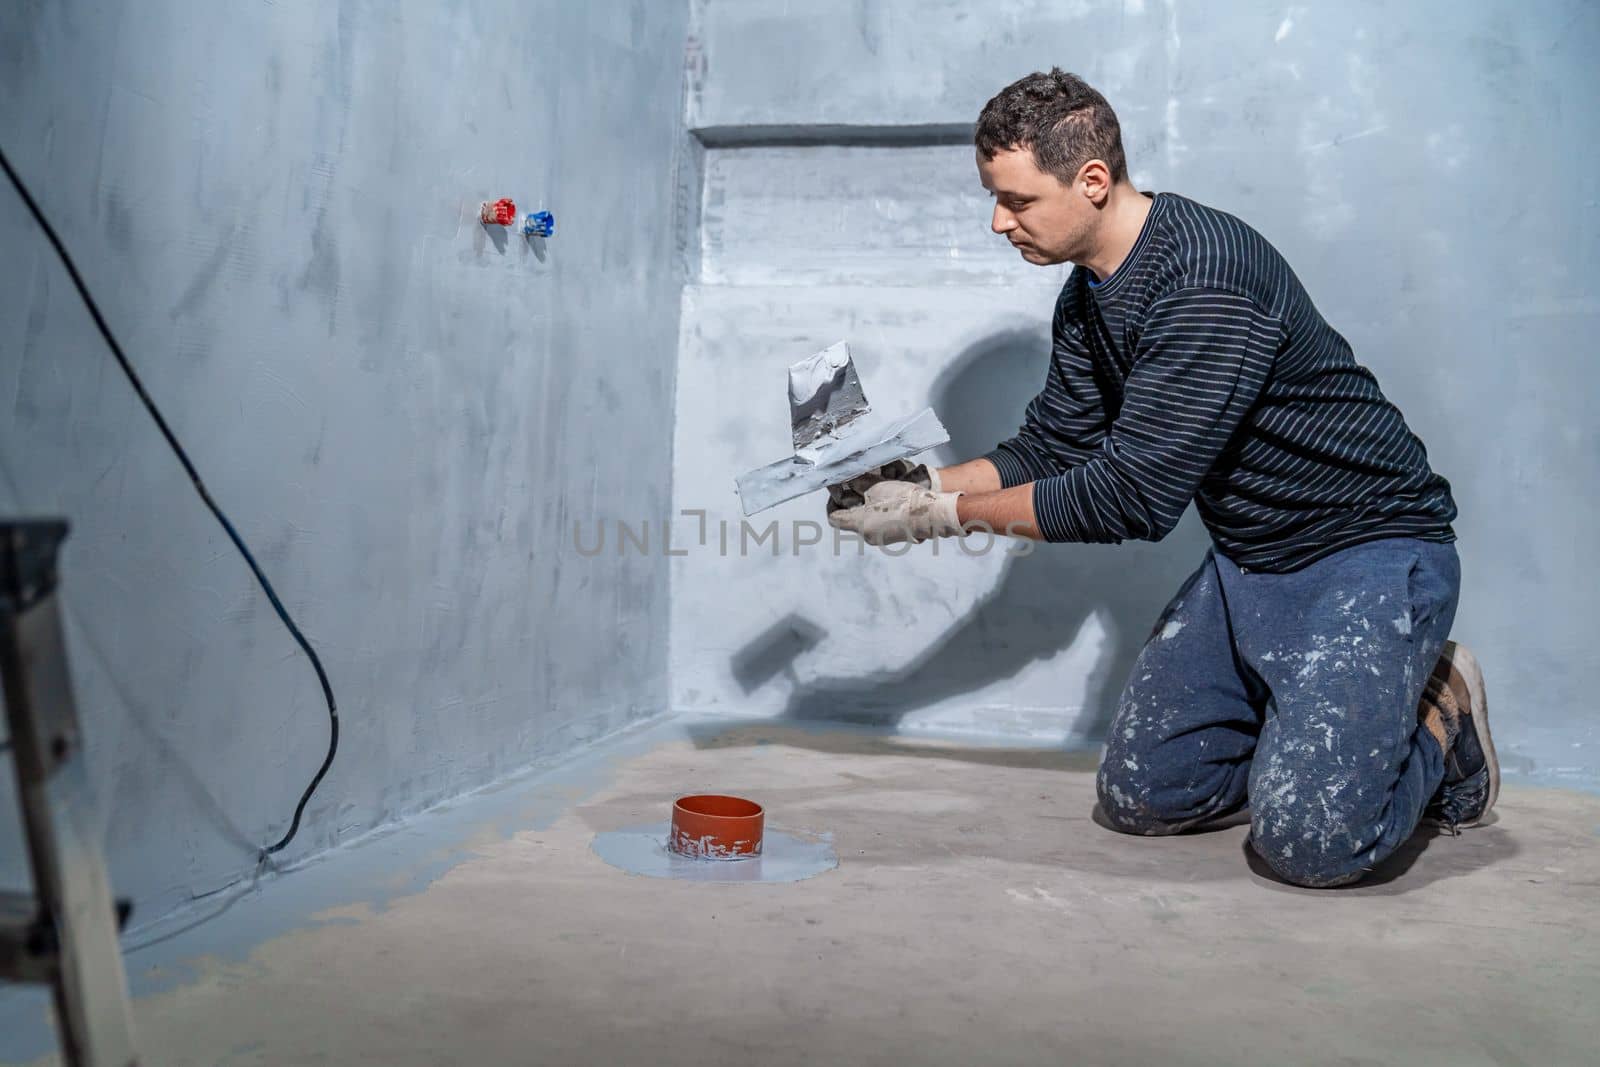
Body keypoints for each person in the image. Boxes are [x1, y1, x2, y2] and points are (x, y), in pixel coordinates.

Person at [826, 69, 1497, 888]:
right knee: (1146, 795)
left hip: (1368, 553)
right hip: (1251, 559)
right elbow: (1054, 443)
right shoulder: (1087, 295)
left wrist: (940, 513)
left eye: (1018, 200)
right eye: (994, 198)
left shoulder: (1206, 279)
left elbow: (1129, 496)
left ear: (1093, 181)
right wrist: (914, 480)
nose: (999, 221)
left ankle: (1438, 712)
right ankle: (1322, 738)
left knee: (1314, 847)